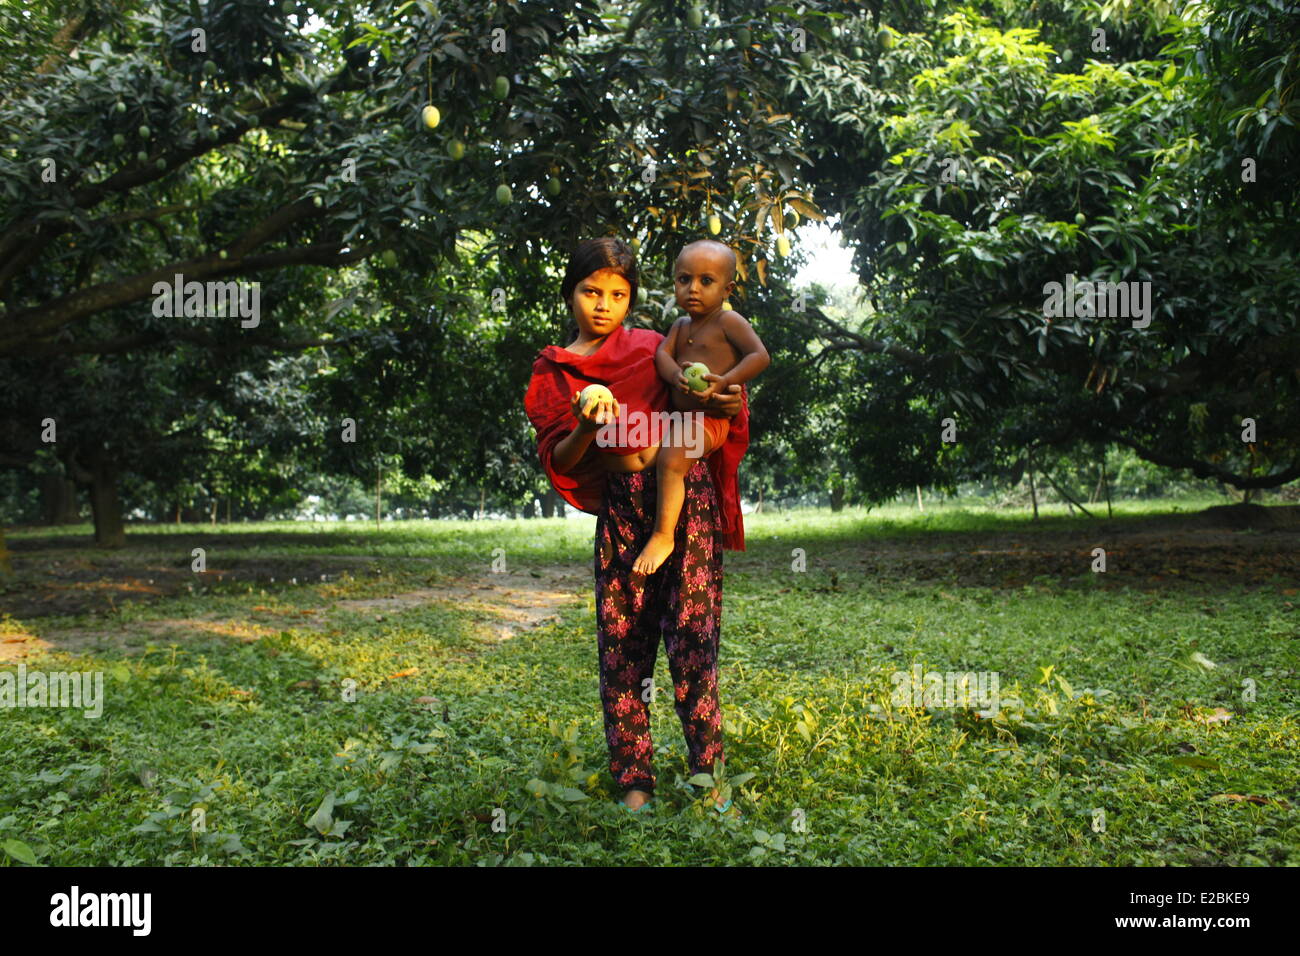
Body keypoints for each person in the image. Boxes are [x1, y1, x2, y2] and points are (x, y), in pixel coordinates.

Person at [523, 237, 748, 816]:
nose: (603, 304)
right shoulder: (555, 371)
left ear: (631, 299)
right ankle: (635, 784)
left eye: (617, 294)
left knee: (693, 640)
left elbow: (704, 400)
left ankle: (708, 776)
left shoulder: (653, 348)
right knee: (623, 649)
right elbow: (563, 458)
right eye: (590, 291)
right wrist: (584, 423)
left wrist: (723, 399)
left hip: (682, 501)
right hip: (622, 510)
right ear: (570, 292)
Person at [632, 240, 769, 575]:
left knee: (673, 458)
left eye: (706, 281)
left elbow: (760, 356)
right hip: (679, 416)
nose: (693, 289)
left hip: (709, 419)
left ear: (727, 288)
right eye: (684, 279)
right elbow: (662, 355)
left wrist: (724, 381)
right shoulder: (680, 327)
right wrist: (675, 374)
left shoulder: (729, 321)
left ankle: (664, 535)